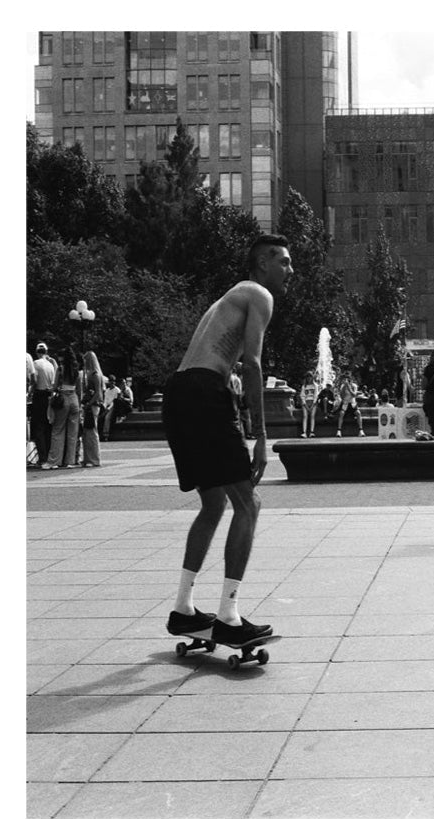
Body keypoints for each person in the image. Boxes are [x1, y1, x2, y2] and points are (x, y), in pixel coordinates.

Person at [161, 233, 292, 647]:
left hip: (178, 392)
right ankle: (229, 617)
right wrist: (261, 437)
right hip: (204, 391)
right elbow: (252, 363)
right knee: (249, 502)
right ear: (262, 264)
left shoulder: (229, 298)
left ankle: (183, 609)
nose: (291, 270)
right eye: (284, 262)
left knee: (214, 503)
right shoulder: (258, 294)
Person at [46, 344, 81, 469]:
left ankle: (55, 461)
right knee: (73, 432)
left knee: (58, 430)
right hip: (74, 399)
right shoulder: (76, 369)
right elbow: (79, 388)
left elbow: (55, 386)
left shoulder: (60, 369)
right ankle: (70, 460)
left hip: (63, 398)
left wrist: (50, 389)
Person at [32, 342, 56, 467]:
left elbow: (34, 381)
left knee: (39, 427)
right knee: (48, 427)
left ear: (37, 352)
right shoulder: (51, 365)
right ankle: (48, 454)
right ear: (46, 352)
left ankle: (42, 457)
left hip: (39, 396)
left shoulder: (35, 364)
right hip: (49, 396)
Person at [80, 350, 106, 467]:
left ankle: (93, 459)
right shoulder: (95, 374)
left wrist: (88, 403)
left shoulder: (94, 375)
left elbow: (98, 393)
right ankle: (88, 458)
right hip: (92, 405)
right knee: (88, 432)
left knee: (91, 432)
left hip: (93, 405)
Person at [336, 371, 364, 437]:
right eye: (346, 379)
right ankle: (339, 430)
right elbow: (342, 396)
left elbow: (354, 395)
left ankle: (361, 430)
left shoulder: (354, 386)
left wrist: (349, 387)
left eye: (349, 379)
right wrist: (344, 388)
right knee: (341, 413)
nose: (347, 380)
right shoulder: (343, 386)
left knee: (358, 413)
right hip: (345, 404)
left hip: (352, 404)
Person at [230, 362, 252, 438]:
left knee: (240, 417)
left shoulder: (232, 377)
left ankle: (244, 433)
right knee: (246, 417)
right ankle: (248, 433)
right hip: (240, 398)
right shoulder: (240, 378)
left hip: (235, 398)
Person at [299, 371, 318, 437]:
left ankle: (312, 432)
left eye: (310, 377)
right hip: (306, 402)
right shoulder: (304, 386)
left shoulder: (315, 385)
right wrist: (305, 404)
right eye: (308, 377)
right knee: (305, 416)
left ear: (312, 378)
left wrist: (313, 405)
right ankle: (304, 432)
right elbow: (302, 396)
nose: (309, 378)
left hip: (313, 402)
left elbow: (316, 395)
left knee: (312, 416)